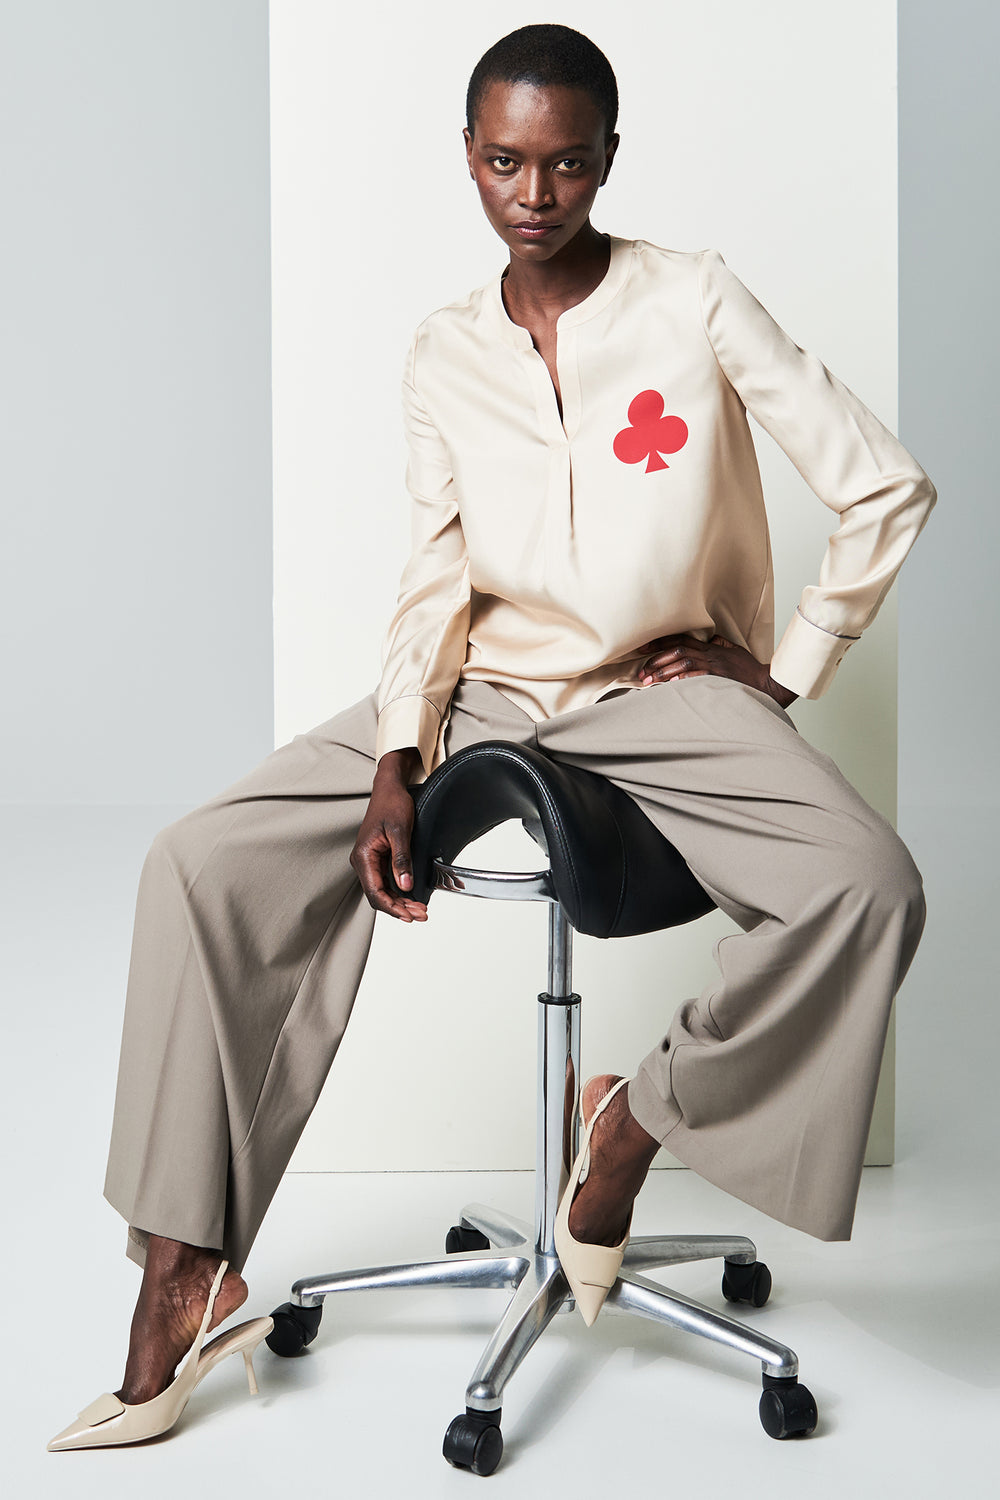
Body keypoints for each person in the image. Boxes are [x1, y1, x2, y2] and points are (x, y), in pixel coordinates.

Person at [48, 22, 935, 1450]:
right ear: (469, 159)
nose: (537, 191)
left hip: (660, 699)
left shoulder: (695, 301)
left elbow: (884, 485)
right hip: (485, 694)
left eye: (568, 160)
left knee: (869, 885)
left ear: (608, 158)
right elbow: (435, 575)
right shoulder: (444, 352)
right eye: (507, 161)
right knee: (198, 862)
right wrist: (401, 752)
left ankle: (630, 1124)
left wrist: (784, 665)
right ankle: (186, 1268)